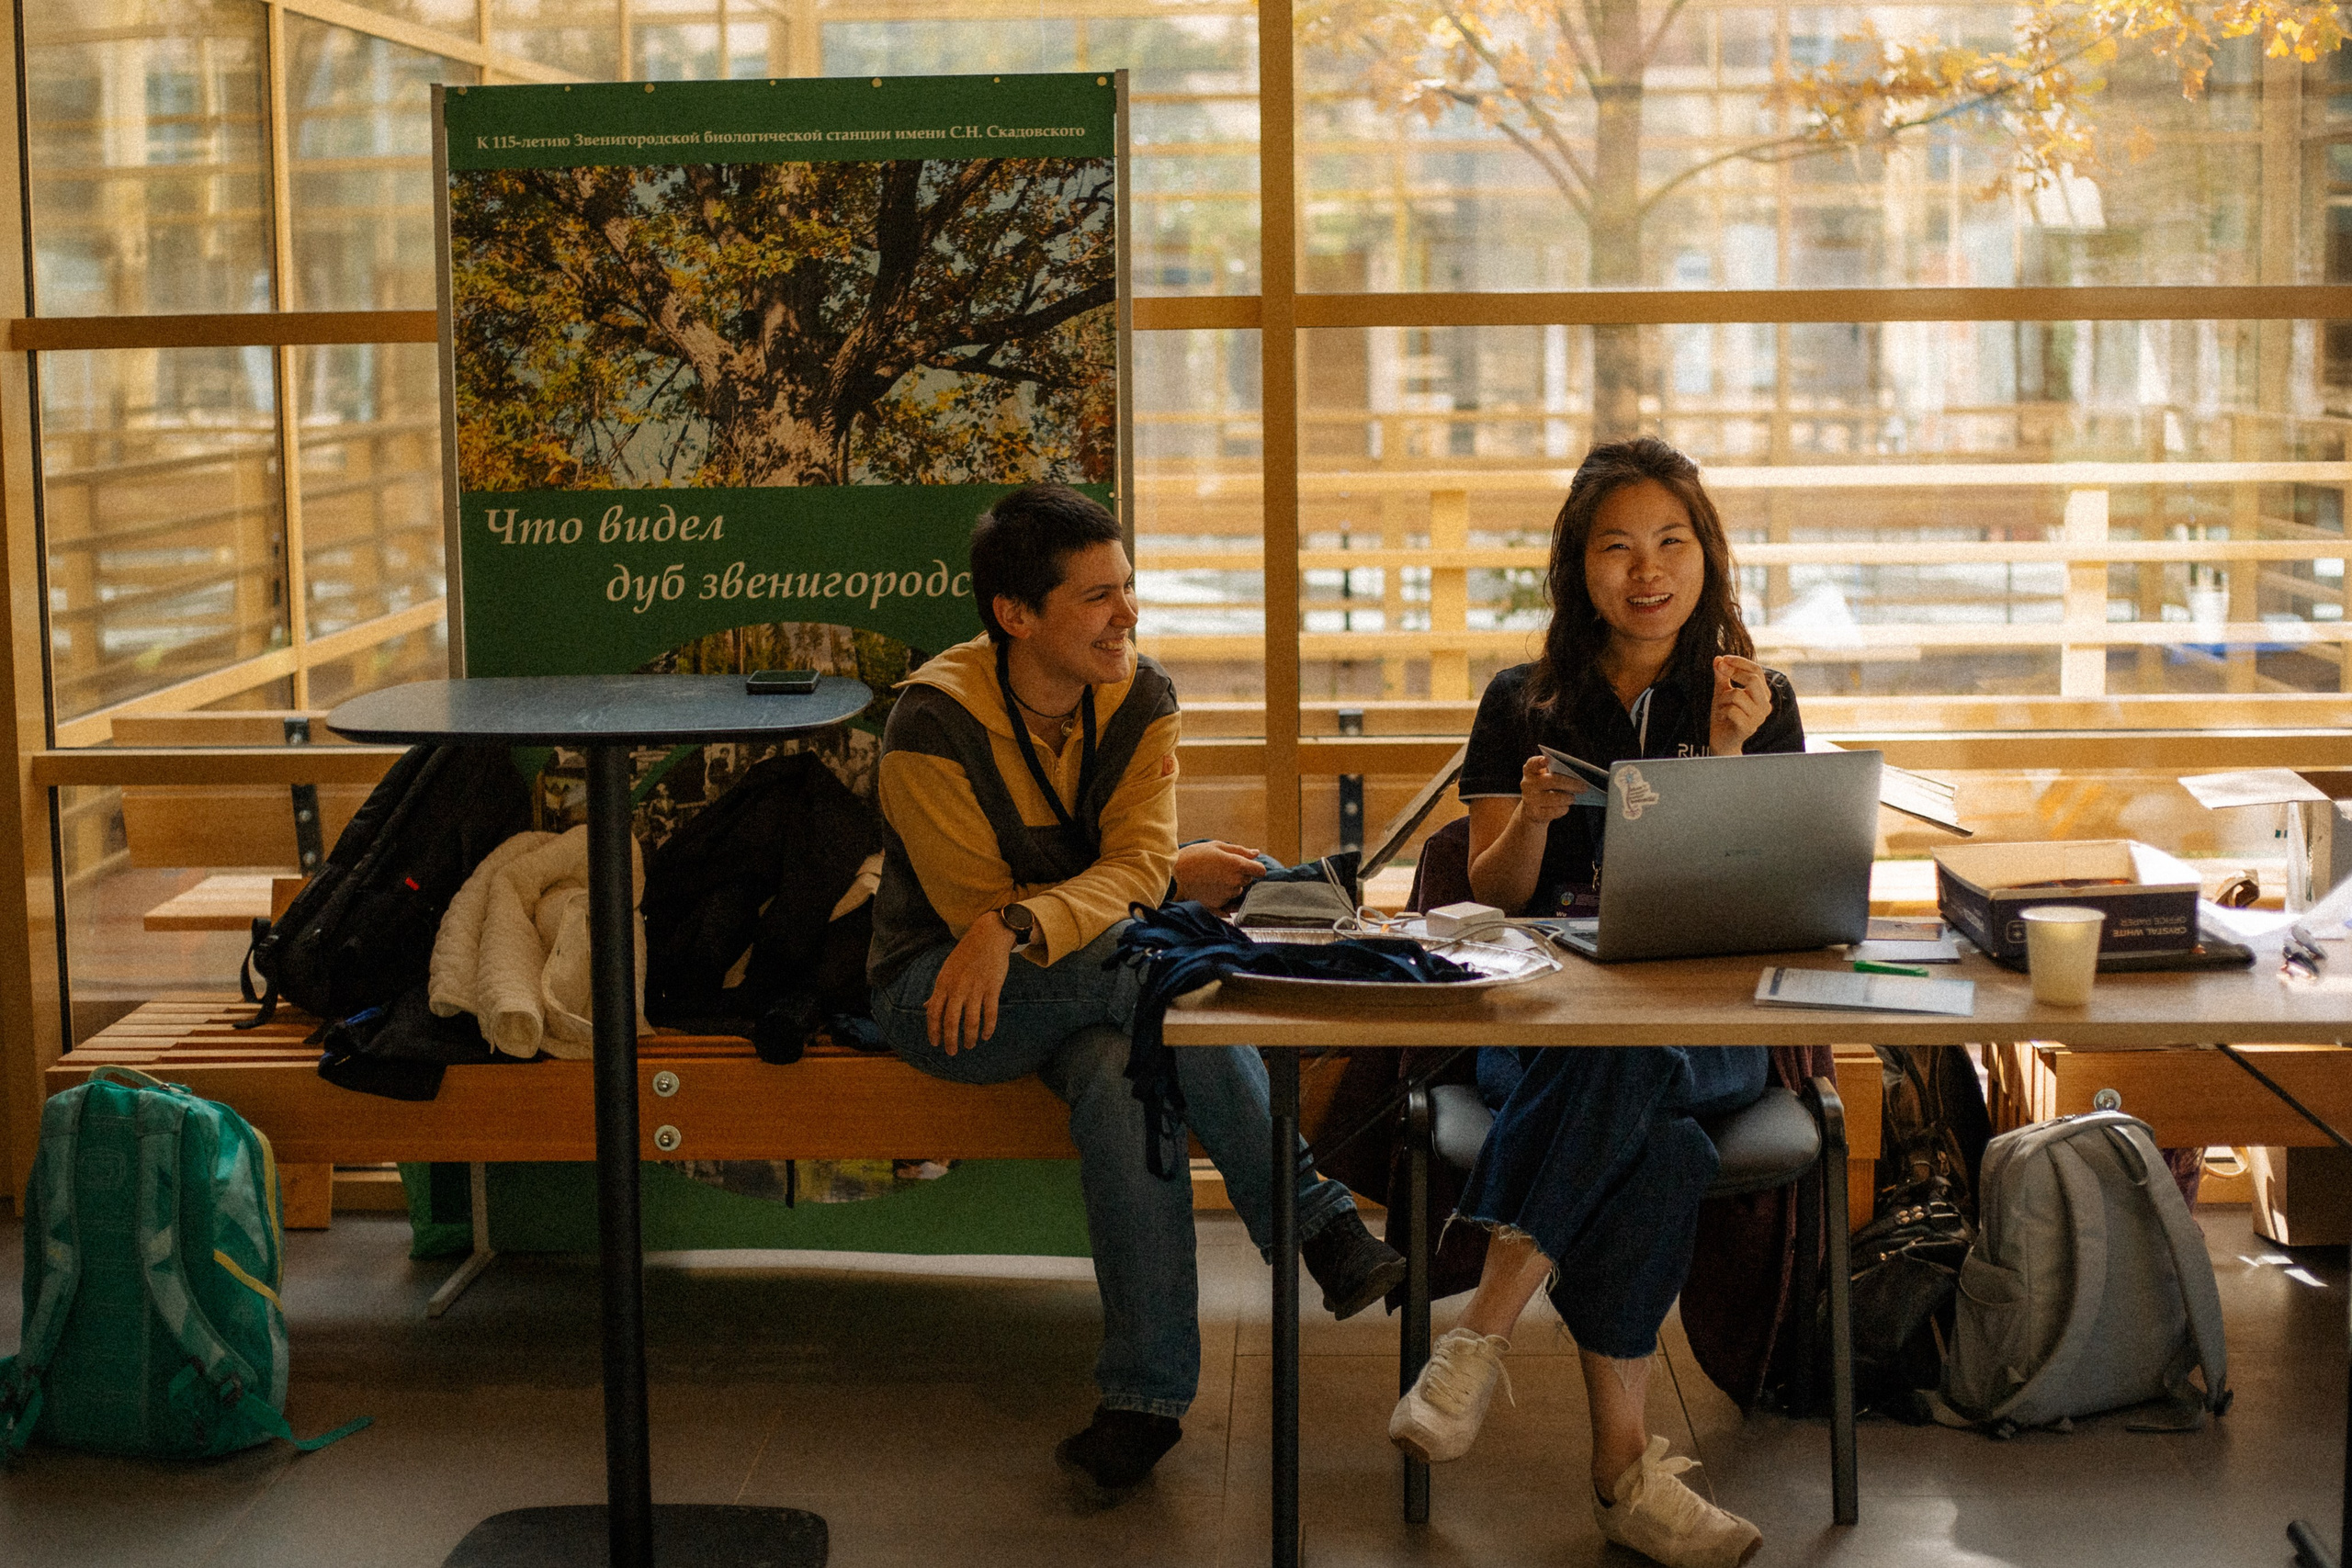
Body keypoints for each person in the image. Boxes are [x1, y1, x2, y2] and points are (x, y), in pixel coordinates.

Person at [868, 482, 1405, 1499]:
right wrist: (1038, 917)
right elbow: (974, 918)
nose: (1128, 617)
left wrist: (1035, 915)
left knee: (1129, 1073)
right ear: (1014, 616)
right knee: (1157, 968)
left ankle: (1142, 1406)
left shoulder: (1141, 696)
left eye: (1129, 589)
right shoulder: (931, 723)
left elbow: (1127, 869)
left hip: (1085, 989)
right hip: (945, 995)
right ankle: (1318, 1224)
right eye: (1098, 598)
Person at [1386, 436, 1802, 1568]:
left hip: (1709, 1024)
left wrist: (1724, 755)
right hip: (1552, 1022)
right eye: (1617, 547)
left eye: (1671, 542)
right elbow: (1491, 896)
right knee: (1655, 1135)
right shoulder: (1522, 702)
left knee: (1643, 1051)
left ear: (1705, 559)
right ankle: (1625, 1475)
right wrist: (1526, 817)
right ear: (1578, 568)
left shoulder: (1755, 700)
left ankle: (1476, 1336)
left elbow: (1758, 897)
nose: (1647, 569)